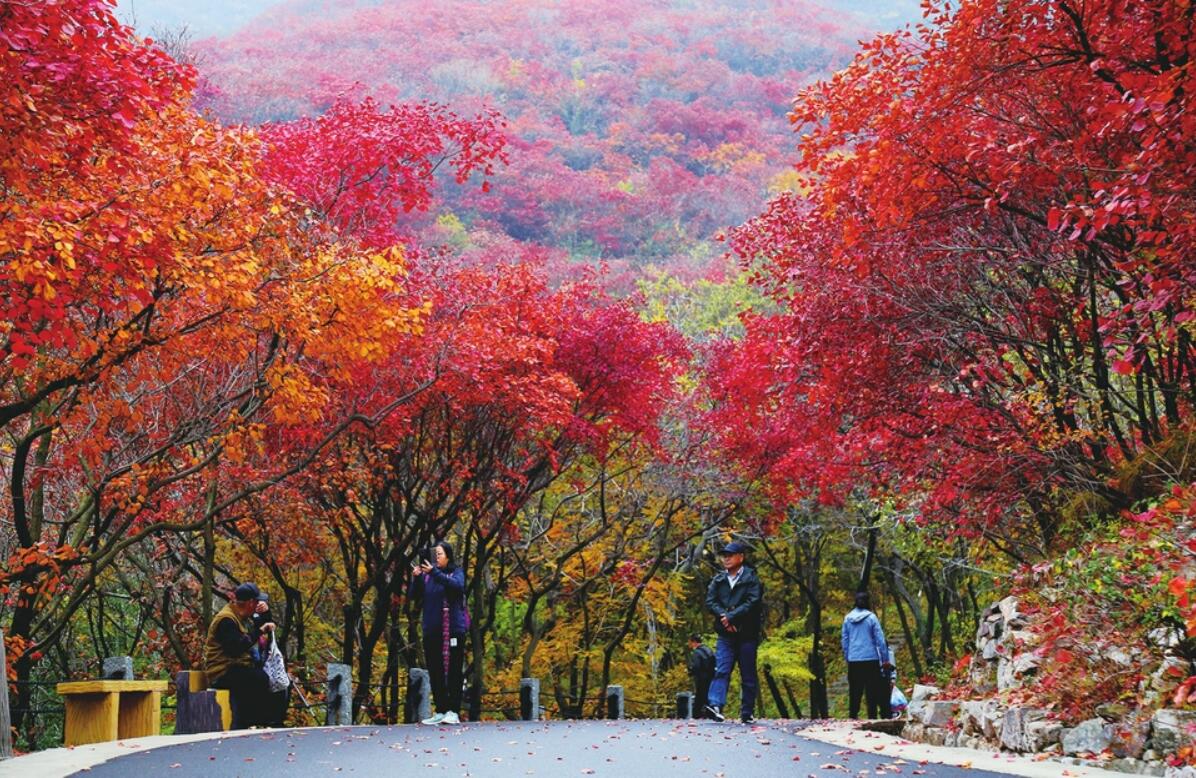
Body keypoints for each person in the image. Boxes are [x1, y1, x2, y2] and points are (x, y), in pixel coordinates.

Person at [703, 540, 764, 724]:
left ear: (741, 557)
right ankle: (715, 706)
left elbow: (753, 602)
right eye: (724, 556)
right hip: (725, 634)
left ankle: (747, 712)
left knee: (747, 674)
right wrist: (724, 616)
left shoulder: (752, 579)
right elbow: (710, 601)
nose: (726, 559)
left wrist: (731, 616)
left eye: (730, 555)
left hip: (747, 634)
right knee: (721, 669)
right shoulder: (719, 579)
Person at [204, 582, 276, 729]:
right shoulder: (226, 620)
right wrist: (260, 631)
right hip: (221, 671)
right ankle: (251, 723)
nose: (258, 604)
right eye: (257, 602)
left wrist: (265, 614)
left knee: (268, 677)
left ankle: (260, 722)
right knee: (257, 678)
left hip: (233, 667)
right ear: (250, 603)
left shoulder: (239, 615)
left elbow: (261, 625)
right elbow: (235, 648)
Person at [410, 541, 468, 725]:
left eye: (441, 554)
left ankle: (453, 710)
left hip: (453, 629)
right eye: (436, 554)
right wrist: (417, 578)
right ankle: (441, 709)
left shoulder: (455, 572)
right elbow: (414, 596)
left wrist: (434, 573)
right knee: (435, 669)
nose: (437, 558)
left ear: (449, 556)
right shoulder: (428, 577)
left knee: (454, 670)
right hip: (432, 629)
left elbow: (457, 586)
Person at [841, 591, 892, 719]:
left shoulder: (847, 619)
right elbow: (880, 640)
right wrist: (885, 658)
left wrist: (848, 657)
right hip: (871, 659)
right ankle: (872, 717)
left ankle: (853, 716)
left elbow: (845, 640)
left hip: (854, 659)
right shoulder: (871, 618)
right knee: (871, 691)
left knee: (854, 690)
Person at [686, 634, 715, 719]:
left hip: (701, 678)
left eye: (690, 643)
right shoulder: (709, 650)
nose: (690, 645)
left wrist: (690, 671)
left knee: (699, 696)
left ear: (694, 642)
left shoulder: (697, 653)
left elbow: (696, 666)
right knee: (708, 696)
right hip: (711, 677)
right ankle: (711, 714)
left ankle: (696, 715)